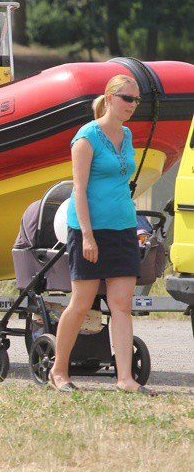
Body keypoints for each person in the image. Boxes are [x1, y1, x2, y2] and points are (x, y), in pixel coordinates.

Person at [49, 75, 156, 395]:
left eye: (136, 100)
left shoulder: (127, 134)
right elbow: (79, 190)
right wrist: (87, 236)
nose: (133, 105)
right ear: (109, 98)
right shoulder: (86, 137)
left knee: (121, 305)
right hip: (90, 229)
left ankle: (125, 379)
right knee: (81, 303)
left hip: (123, 227)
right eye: (127, 98)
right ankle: (59, 371)